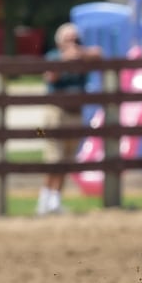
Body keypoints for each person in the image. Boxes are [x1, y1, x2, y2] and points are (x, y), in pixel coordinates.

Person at [38, 22, 101, 215]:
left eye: (76, 39)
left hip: (76, 114)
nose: (73, 42)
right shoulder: (53, 56)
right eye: (69, 39)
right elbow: (50, 77)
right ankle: (44, 201)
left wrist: (79, 55)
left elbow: (99, 54)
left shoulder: (84, 56)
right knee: (53, 158)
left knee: (66, 159)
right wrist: (66, 59)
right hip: (54, 115)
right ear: (59, 42)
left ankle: (55, 201)